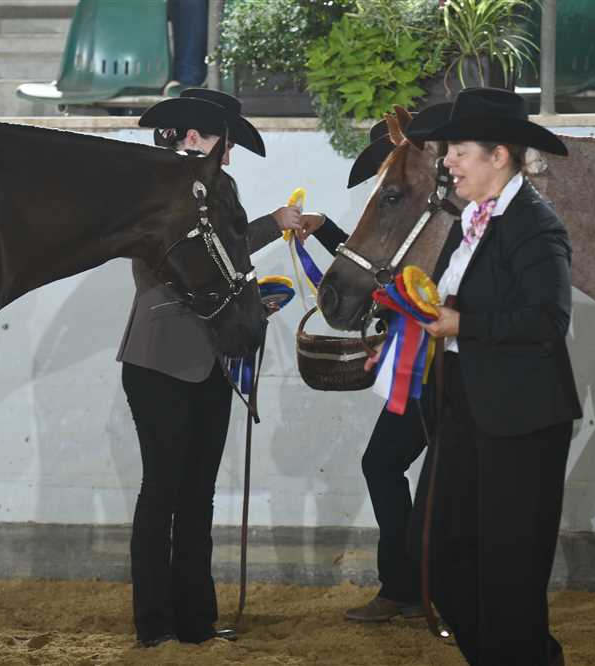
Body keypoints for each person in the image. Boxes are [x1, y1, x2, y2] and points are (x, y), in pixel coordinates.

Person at [118, 87, 303, 648]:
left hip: (212, 357)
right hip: (163, 357)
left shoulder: (222, 189)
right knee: (163, 490)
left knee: (198, 494)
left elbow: (230, 254)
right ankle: (154, 622)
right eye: (226, 142)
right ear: (196, 137)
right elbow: (193, 260)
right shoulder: (156, 188)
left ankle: (195, 621)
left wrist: (251, 298)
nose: (230, 154)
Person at [408, 87, 582, 666]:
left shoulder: (535, 224)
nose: (448, 162)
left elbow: (549, 320)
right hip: (463, 404)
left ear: (499, 155)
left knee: (510, 572)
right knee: (436, 553)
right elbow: (445, 306)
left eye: (459, 151)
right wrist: (402, 336)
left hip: (522, 416)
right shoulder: (469, 221)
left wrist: (464, 324)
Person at [302, 104, 454, 622]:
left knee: (436, 481)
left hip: (447, 366)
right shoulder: (417, 217)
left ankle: (429, 588)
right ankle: (402, 586)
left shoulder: (448, 219)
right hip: (415, 366)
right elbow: (378, 265)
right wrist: (327, 231)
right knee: (383, 464)